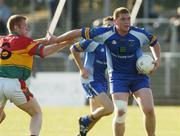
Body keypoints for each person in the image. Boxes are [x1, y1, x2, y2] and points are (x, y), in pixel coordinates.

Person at [49, 7, 161, 136]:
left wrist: (157, 59)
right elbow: (78, 33)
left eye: (128, 18)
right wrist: (57, 40)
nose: (127, 22)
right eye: (122, 19)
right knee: (120, 112)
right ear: (115, 21)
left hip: (139, 76)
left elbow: (154, 42)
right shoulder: (104, 33)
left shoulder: (138, 33)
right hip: (118, 78)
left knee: (149, 109)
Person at [0, 14, 71, 136]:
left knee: (1, 115)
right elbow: (44, 52)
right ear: (16, 27)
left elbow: (25, 44)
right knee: (37, 113)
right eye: (25, 27)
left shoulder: (3, 39)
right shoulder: (25, 42)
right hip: (14, 84)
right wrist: (65, 42)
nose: (28, 29)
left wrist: (44, 40)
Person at [70, 17, 114, 136]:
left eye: (112, 26)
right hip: (91, 79)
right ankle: (83, 119)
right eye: (107, 26)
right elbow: (73, 48)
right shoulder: (94, 41)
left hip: (102, 81)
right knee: (109, 108)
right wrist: (81, 69)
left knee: (95, 115)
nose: (109, 28)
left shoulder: (113, 45)